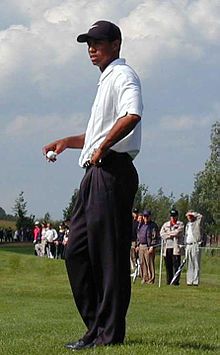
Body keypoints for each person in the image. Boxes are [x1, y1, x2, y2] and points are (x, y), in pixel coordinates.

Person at [43, 20, 143, 350]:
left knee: (109, 256)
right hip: (95, 173)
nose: (91, 48)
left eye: (97, 42)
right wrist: (68, 142)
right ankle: (96, 327)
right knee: (76, 251)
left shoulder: (124, 76)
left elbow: (132, 114)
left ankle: (109, 334)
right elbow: (98, 134)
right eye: (88, 43)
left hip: (112, 171)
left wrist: (102, 148)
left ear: (116, 44)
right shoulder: (105, 81)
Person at [160, 209, 184, 285]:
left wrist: (168, 234)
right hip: (167, 247)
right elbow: (162, 233)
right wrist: (169, 235)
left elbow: (177, 233)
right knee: (168, 265)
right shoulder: (166, 224)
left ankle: (175, 281)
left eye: (174, 216)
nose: (173, 218)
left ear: (177, 216)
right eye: (171, 216)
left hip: (176, 248)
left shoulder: (180, 224)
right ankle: (169, 281)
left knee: (176, 266)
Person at [136, 210, 159, 284]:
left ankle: (151, 279)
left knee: (149, 263)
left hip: (148, 246)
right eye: (144, 216)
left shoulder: (153, 225)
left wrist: (152, 246)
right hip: (141, 246)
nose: (145, 218)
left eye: (147, 216)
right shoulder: (141, 225)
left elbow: (154, 236)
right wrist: (137, 245)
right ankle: (144, 278)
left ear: (150, 216)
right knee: (142, 263)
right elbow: (138, 236)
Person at [185, 211, 204, 286]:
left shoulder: (197, 223)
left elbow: (201, 216)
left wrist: (194, 214)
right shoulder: (187, 225)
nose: (189, 217)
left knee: (196, 263)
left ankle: (195, 281)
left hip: (195, 244)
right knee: (189, 264)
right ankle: (189, 281)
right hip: (188, 245)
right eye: (188, 216)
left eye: (191, 216)